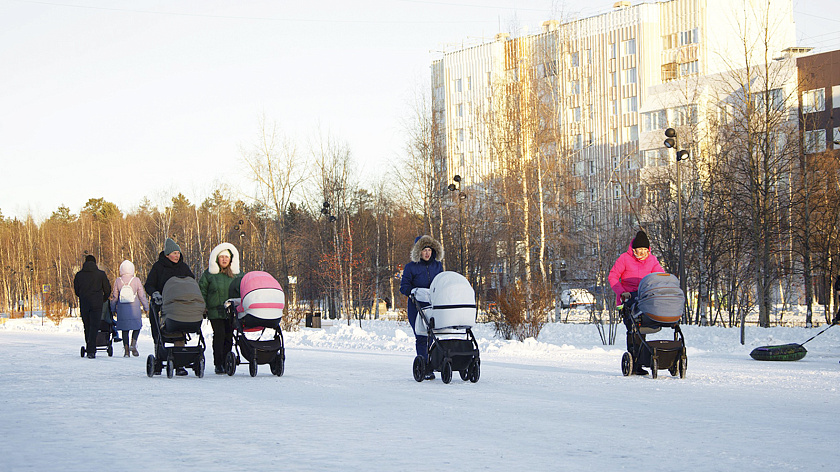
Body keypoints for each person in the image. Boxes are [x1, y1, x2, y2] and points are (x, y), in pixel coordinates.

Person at [609, 230, 665, 375]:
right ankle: (635, 361)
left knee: (642, 327)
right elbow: (613, 277)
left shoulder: (652, 260)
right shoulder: (624, 259)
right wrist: (622, 292)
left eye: (645, 251)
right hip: (627, 298)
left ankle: (643, 360)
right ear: (633, 249)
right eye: (639, 250)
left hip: (644, 298)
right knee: (633, 329)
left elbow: (660, 275)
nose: (642, 254)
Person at [145, 238, 195, 375]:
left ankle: (179, 363)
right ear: (167, 255)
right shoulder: (158, 267)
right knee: (159, 332)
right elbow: (149, 284)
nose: (177, 256)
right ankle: (159, 358)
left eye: (178, 253)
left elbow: (191, 282)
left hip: (180, 305)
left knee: (179, 331)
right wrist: (155, 293)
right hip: (161, 304)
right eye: (174, 253)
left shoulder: (183, 267)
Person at [399, 234, 444, 380]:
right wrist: (412, 291)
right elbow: (404, 286)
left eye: (429, 250)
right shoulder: (411, 267)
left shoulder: (437, 266)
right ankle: (424, 366)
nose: (427, 253)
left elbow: (441, 281)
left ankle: (431, 363)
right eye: (424, 250)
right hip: (417, 306)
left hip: (433, 304)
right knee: (421, 336)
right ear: (419, 251)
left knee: (432, 335)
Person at [198, 242, 243, 375]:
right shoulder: (209, 274)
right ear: (217, 259)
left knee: (229, 336)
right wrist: (203, 306)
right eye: (221, 257)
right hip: (215, 311)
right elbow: (202, 291)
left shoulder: (238, 275)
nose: (224, 259)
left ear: (231, 259)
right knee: (219, 335)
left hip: (231, 312)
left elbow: (245, 288)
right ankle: (218, 363)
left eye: (226, 257)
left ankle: (226, 361)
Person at [73, 254, 111, 359]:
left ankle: (89, 345)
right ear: (95, 262)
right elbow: (107, 289)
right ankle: (91, 350)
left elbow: (77, 291)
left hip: (84, 303)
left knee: (87, 326)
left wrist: (83, 295)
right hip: (97, 303)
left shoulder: (79, 275)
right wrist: (103, 299)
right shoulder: (101, 274)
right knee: (95, 326)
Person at [109, 260, 149, 357]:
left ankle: (126, 350)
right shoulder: (136, 280)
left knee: (124, 330)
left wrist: (113, 308)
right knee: (137, 327)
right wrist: (146, 307)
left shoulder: (118, 281)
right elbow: (142, 295)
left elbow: (115, 296)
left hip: (122, 309)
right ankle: (133, 344)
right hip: (134, 309)